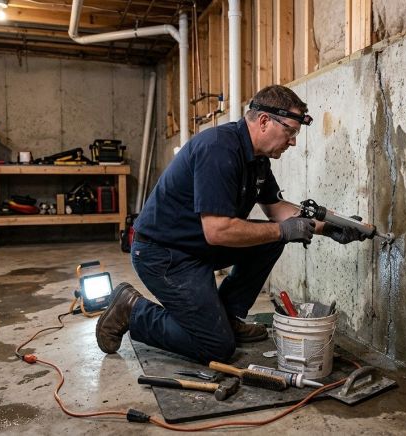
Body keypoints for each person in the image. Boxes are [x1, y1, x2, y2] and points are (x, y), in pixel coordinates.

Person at [95, 85, 366, 363]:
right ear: (264, 121)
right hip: (165, 255)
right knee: (216, 347)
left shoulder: (258, 160)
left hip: (196, 246)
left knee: (274, 238)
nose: (293, 141)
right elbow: (218, 230)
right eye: (290, 131)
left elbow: (279, 210)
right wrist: (282, 230)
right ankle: (131, 310)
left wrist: (330, 226)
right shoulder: (218, 149)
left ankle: (226, 316)